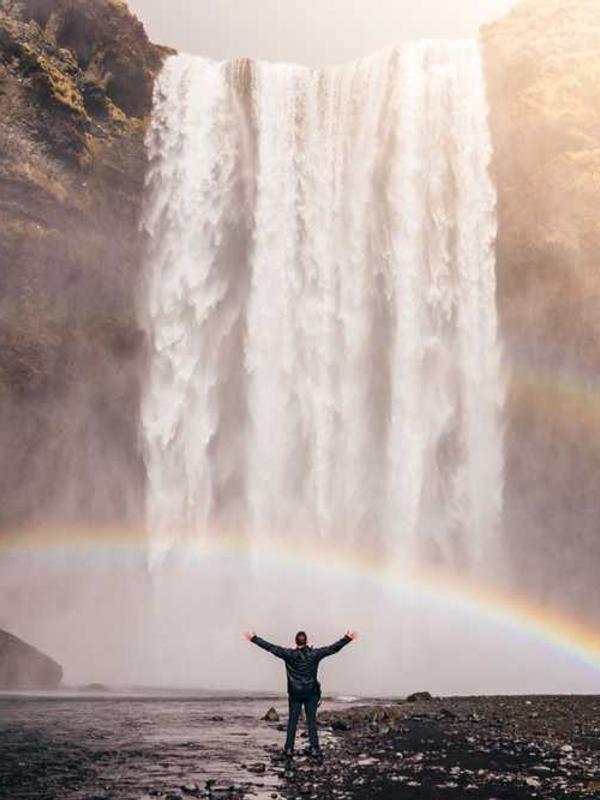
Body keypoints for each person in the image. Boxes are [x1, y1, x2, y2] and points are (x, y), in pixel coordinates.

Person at [244, 629, 357, 759]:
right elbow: (332, 649)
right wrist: (347, 638)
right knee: (311, 722)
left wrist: (253, 638)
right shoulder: (314, 654)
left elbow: (270, 647)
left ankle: (288, 749)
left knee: (292, 722)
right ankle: (314, 748)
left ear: (295, 641)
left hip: (295, 694)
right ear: (307, 641)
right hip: (311, 693)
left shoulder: (289, 654)